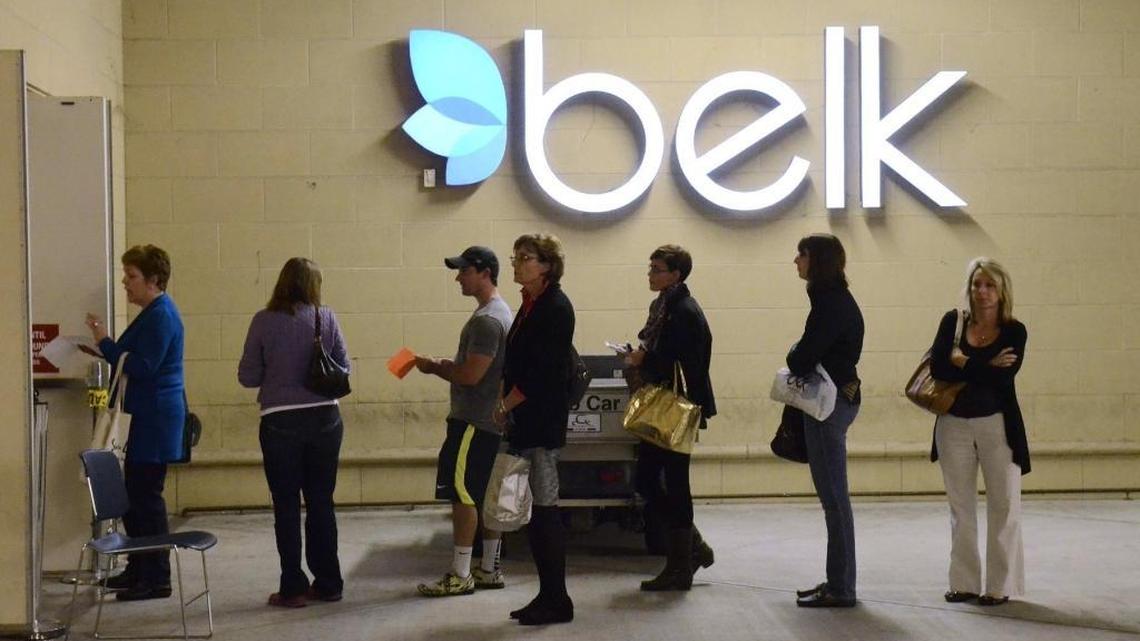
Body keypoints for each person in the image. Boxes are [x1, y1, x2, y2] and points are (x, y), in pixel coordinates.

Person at [238, 257, 349, 608]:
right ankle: (329, 582)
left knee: (285, 505)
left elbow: (248, 376)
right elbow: (344, 367)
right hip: (325, 420)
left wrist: (277, 371)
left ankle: (293, 587)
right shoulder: (325, 317)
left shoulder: (263, 321)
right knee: (321, 502)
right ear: (313, 286)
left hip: (280, 422)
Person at [85, 244, 185, 601]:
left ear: (154, 280)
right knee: (136, 497)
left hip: (154, 419)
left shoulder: (162, 315)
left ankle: (156, 577)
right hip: (146, 417)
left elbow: (143, 366)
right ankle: (139, 567)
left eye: (132, 277)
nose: (125, 284)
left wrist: (105, 343)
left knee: (147, 498)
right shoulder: (153, 312)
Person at [413, 246, 514, 597]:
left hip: (473, 421)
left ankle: (460, 572)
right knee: (485, 494)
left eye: (464, 271)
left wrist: (433, 366)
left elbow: (471, 375)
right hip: (491, 420)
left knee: (464, 495)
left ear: (484, 273)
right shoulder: (502, 314)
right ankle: (488, 568)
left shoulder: (487, 320)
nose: (458, 277)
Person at [928, 258, 1028, 606]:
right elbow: (937, 365)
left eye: (990, 285)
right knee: (960, 506)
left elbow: (1002, 378)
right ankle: (964, 582)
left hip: (997, 425)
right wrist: (979, 365)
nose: (982, 292)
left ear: (1002, 291)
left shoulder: (1015, 331)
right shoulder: (952, 322)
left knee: (1004, 504)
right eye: (977, 285)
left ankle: (1000, 586)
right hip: (952, 424)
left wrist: (963, 362)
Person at [493, 233, 575, 626]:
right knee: (535, 510)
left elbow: (544, 370)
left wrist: (507, 403)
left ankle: (557, 599)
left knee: (545, 508)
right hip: (526, 419)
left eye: (525, 257)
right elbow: (516, 363)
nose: (516, 263)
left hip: (542, 422)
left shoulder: (555, 307)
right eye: (516, 256)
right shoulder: (529, 305)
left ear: (546, 265)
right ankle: (548, 594)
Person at [625, 245, 717, 591]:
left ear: (675, 274)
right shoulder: (666, 306)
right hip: (668, 406)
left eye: (657, 269)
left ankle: (683, 562)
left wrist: (640, 361)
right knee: (651, 480)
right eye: (650, 267)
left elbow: (677, 360)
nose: (651, 274)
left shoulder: (682, 311)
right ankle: (692, 547)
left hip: (677, 408)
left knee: (672, 483)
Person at [787, 234, 863, 608]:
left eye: (801, 255)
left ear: (816, 261)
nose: (795, 261)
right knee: (832, 499)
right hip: (835, 401)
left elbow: (801, 357)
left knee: (835, 499)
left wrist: (793, 352)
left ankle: (842, 587)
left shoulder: (830, 304)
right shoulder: (830, 300)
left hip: (830, 405)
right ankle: (837, 580)